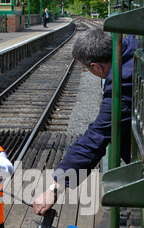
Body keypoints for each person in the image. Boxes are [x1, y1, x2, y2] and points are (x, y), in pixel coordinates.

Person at [33, 27, 137, 216]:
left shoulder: (121, 81)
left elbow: (96, 138)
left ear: (96, 66)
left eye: (86, 68)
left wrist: (54, 188)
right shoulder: (131, 45)